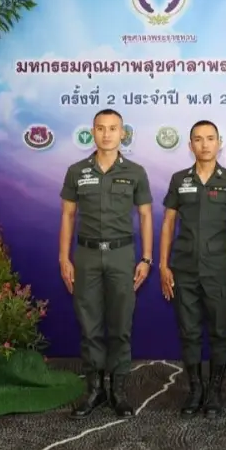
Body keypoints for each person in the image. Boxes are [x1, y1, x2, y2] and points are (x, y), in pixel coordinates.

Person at [58, 108, 154, 419]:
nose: (107, 134)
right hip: (86, 256)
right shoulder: (76, 171)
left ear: (122, 133)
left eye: (113, 128)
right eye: (101, 128)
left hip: (121, 255)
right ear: (92, 132)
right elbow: (68, 215)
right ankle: (95, 390)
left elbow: (145, 216)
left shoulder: (135, 172)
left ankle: (119, 391)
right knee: (90, 326)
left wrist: (147, 258)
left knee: (121, 325)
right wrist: (63, 257)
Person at [159, 120, 226, 417]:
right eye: (198, 139)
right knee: (189, 332)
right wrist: (163, 265)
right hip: (183, 268)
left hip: (218, 269)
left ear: (219, 142)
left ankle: (214, 391)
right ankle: (195, 389)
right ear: (190, 145)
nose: (205, 144)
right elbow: (168, 222)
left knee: (220, 332)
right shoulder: (179, 179)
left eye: (210, 138)